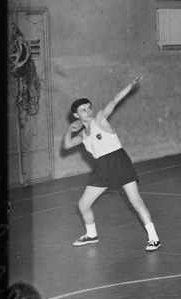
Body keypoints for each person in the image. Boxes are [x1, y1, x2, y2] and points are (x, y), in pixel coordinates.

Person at [62, 75, 161, 251]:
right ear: (76, 115)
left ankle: (154, 238)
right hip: (102, 168)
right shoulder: (83, 135)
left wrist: (130, 85)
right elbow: (67, 144)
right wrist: (70, 129)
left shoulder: (100, 119)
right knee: (83, 205)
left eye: (89, 108)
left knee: (136, 202)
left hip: (118, 161)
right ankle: (91, 235)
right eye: (83, 110)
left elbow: (114, 100)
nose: (88, 111)